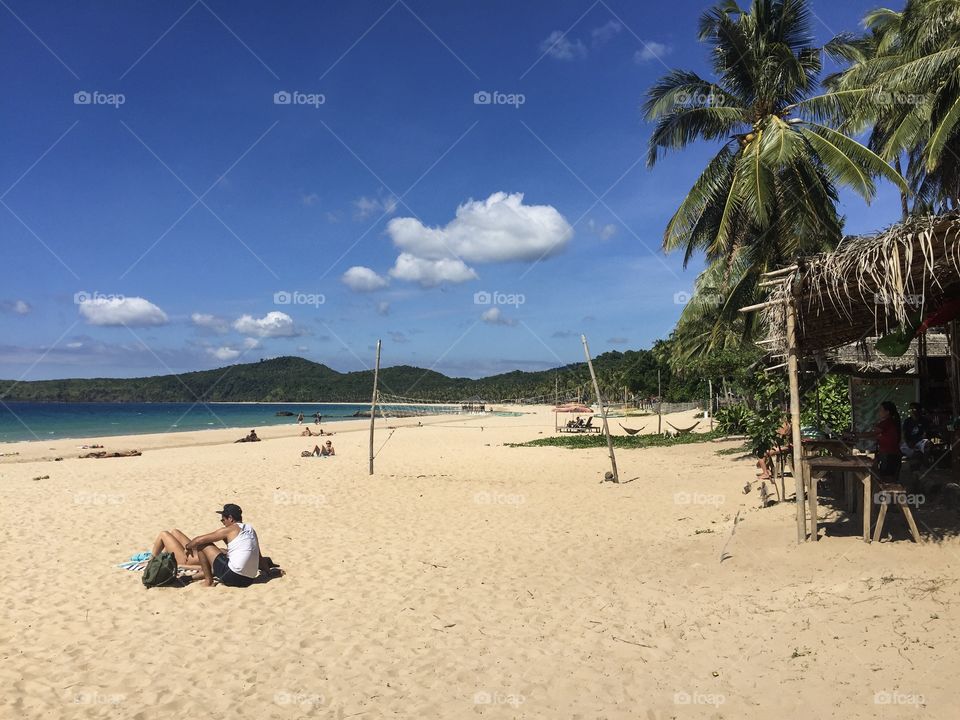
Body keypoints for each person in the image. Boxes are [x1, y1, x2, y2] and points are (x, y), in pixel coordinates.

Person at [149, 504, 277, 587]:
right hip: (248, 579)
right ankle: (165, 556)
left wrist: (188, 547)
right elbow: (259, 556)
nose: (222, 522)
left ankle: (151, 562)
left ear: (231, 518)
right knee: (175, 532)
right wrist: (268, 572)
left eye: (223, 519)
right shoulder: (250, 530)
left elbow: (200, 540)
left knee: (164, 534)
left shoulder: (230, 529)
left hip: (232, 576)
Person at [874, 401, 903, 481]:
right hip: (890, 455)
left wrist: (855, 435)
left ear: (887, 412)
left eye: (881, 410)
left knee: (888, 481)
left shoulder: (888, 422)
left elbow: (872, 434)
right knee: (887, 480)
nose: (879, 412)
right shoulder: (889, 422)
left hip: (890, 456)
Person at [757, 416, 791, 480]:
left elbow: (782, 434)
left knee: (761, 455)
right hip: (783, 446)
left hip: (784, 447)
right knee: (763, 451)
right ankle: (768, 470)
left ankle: (766, 473)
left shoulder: (785, 426)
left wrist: (776, 431)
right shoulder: (787, 425)